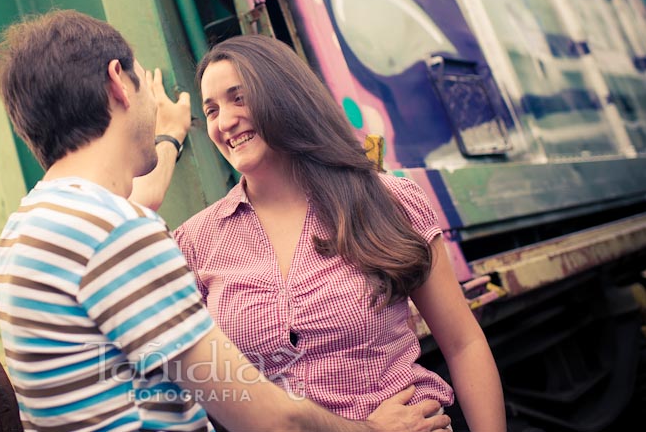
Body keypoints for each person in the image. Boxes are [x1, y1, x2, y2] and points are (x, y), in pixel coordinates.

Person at [0, 9, 452, 432]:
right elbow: (265, 416)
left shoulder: (25, 229)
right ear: (119, 82)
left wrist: (168, 140)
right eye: (210, 109)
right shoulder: (119, 232)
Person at [174, 35, 506, 432]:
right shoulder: (196, 241)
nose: (224, 121)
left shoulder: (386, 200)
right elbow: (203, 391)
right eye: (211, 110)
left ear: (284, 97)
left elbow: (463, 343)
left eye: (239, 98)